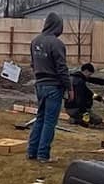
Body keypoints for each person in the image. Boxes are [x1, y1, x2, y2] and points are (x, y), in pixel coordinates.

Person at [26, 11, 69, 163]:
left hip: (40, 85)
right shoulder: (56, 44)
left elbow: (33, 64)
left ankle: (32, 152)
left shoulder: (35, 41)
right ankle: (43, 155)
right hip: (53, 87)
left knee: (40, 118)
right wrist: (69, 87)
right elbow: (62, 68)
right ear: (58, 26)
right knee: (49, 121)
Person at [65, 63, 100, 127]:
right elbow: (80, 99)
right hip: (77, 109)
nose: (89, 76)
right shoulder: (80, 82)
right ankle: (76, 120)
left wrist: (100, 99)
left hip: (68, 108)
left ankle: (75, 118)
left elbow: (89, 93)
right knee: (97, 120)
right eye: (89, 74)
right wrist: (85, 113)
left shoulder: (71, 78)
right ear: (86, 71)